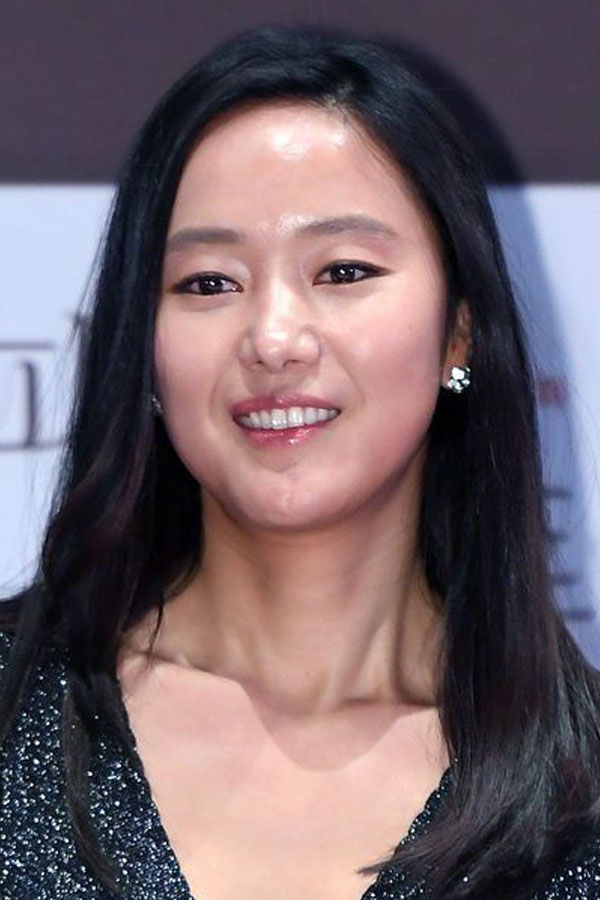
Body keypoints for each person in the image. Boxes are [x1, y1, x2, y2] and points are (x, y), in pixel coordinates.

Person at [1, 23, 599, 900]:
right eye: (209, 282)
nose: (274, 338)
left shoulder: (579, 794)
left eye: (343, 271)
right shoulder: (16, 710)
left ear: (459, 330)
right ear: (144, 347)